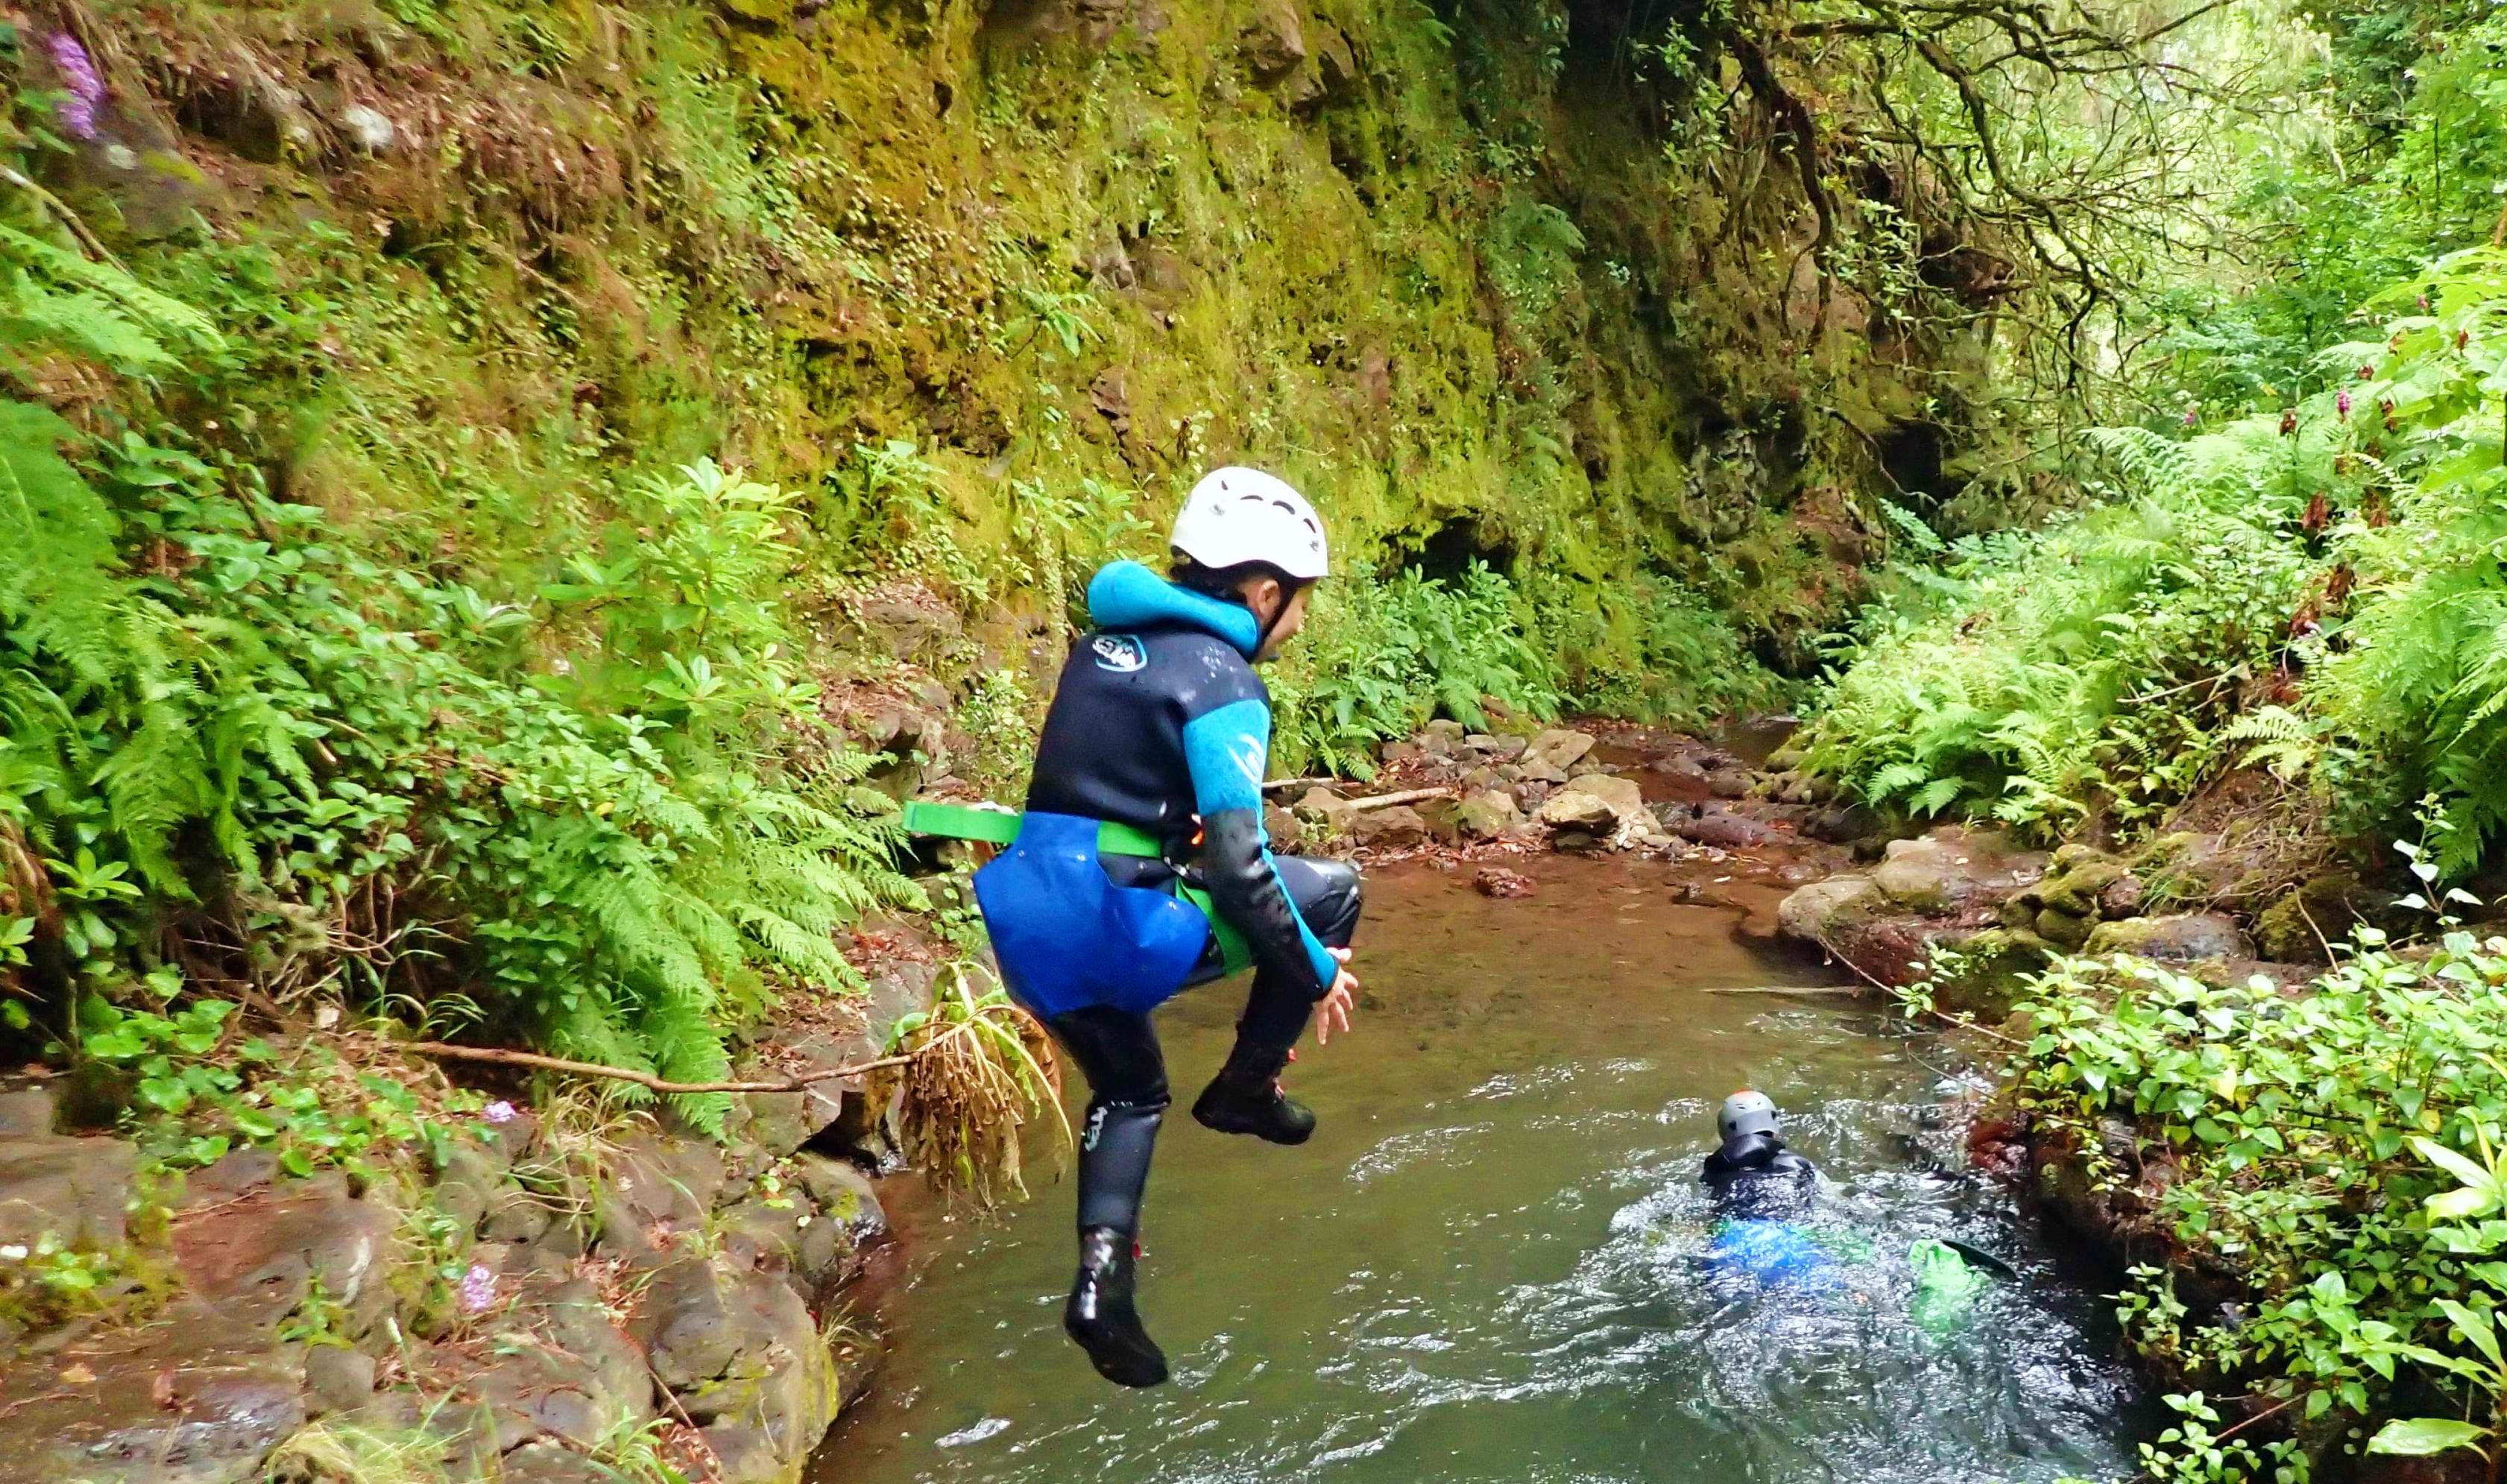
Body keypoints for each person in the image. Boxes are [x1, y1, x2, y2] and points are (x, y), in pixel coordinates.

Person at [968, 467, 1364, 1389]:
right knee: (1334, 894)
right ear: (1264, 591)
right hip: (1120, 924)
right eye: (1298, 602)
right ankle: (1244, 1088)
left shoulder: (1100, 645)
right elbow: (1240, 863)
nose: (1298, 624)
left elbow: (1107, 792)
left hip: (1027, 921)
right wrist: (1315, 974)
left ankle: (1102, 1283)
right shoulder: (1227, 679)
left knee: (1132, 1085)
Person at [1700, 1090, 1829, 1287]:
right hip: (1791, 1241)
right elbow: (1832, 1201)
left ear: (1726, 1130)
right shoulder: (1800, 1164)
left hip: (1731, 1241)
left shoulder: (1714, 1171)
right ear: (1774, 1124)